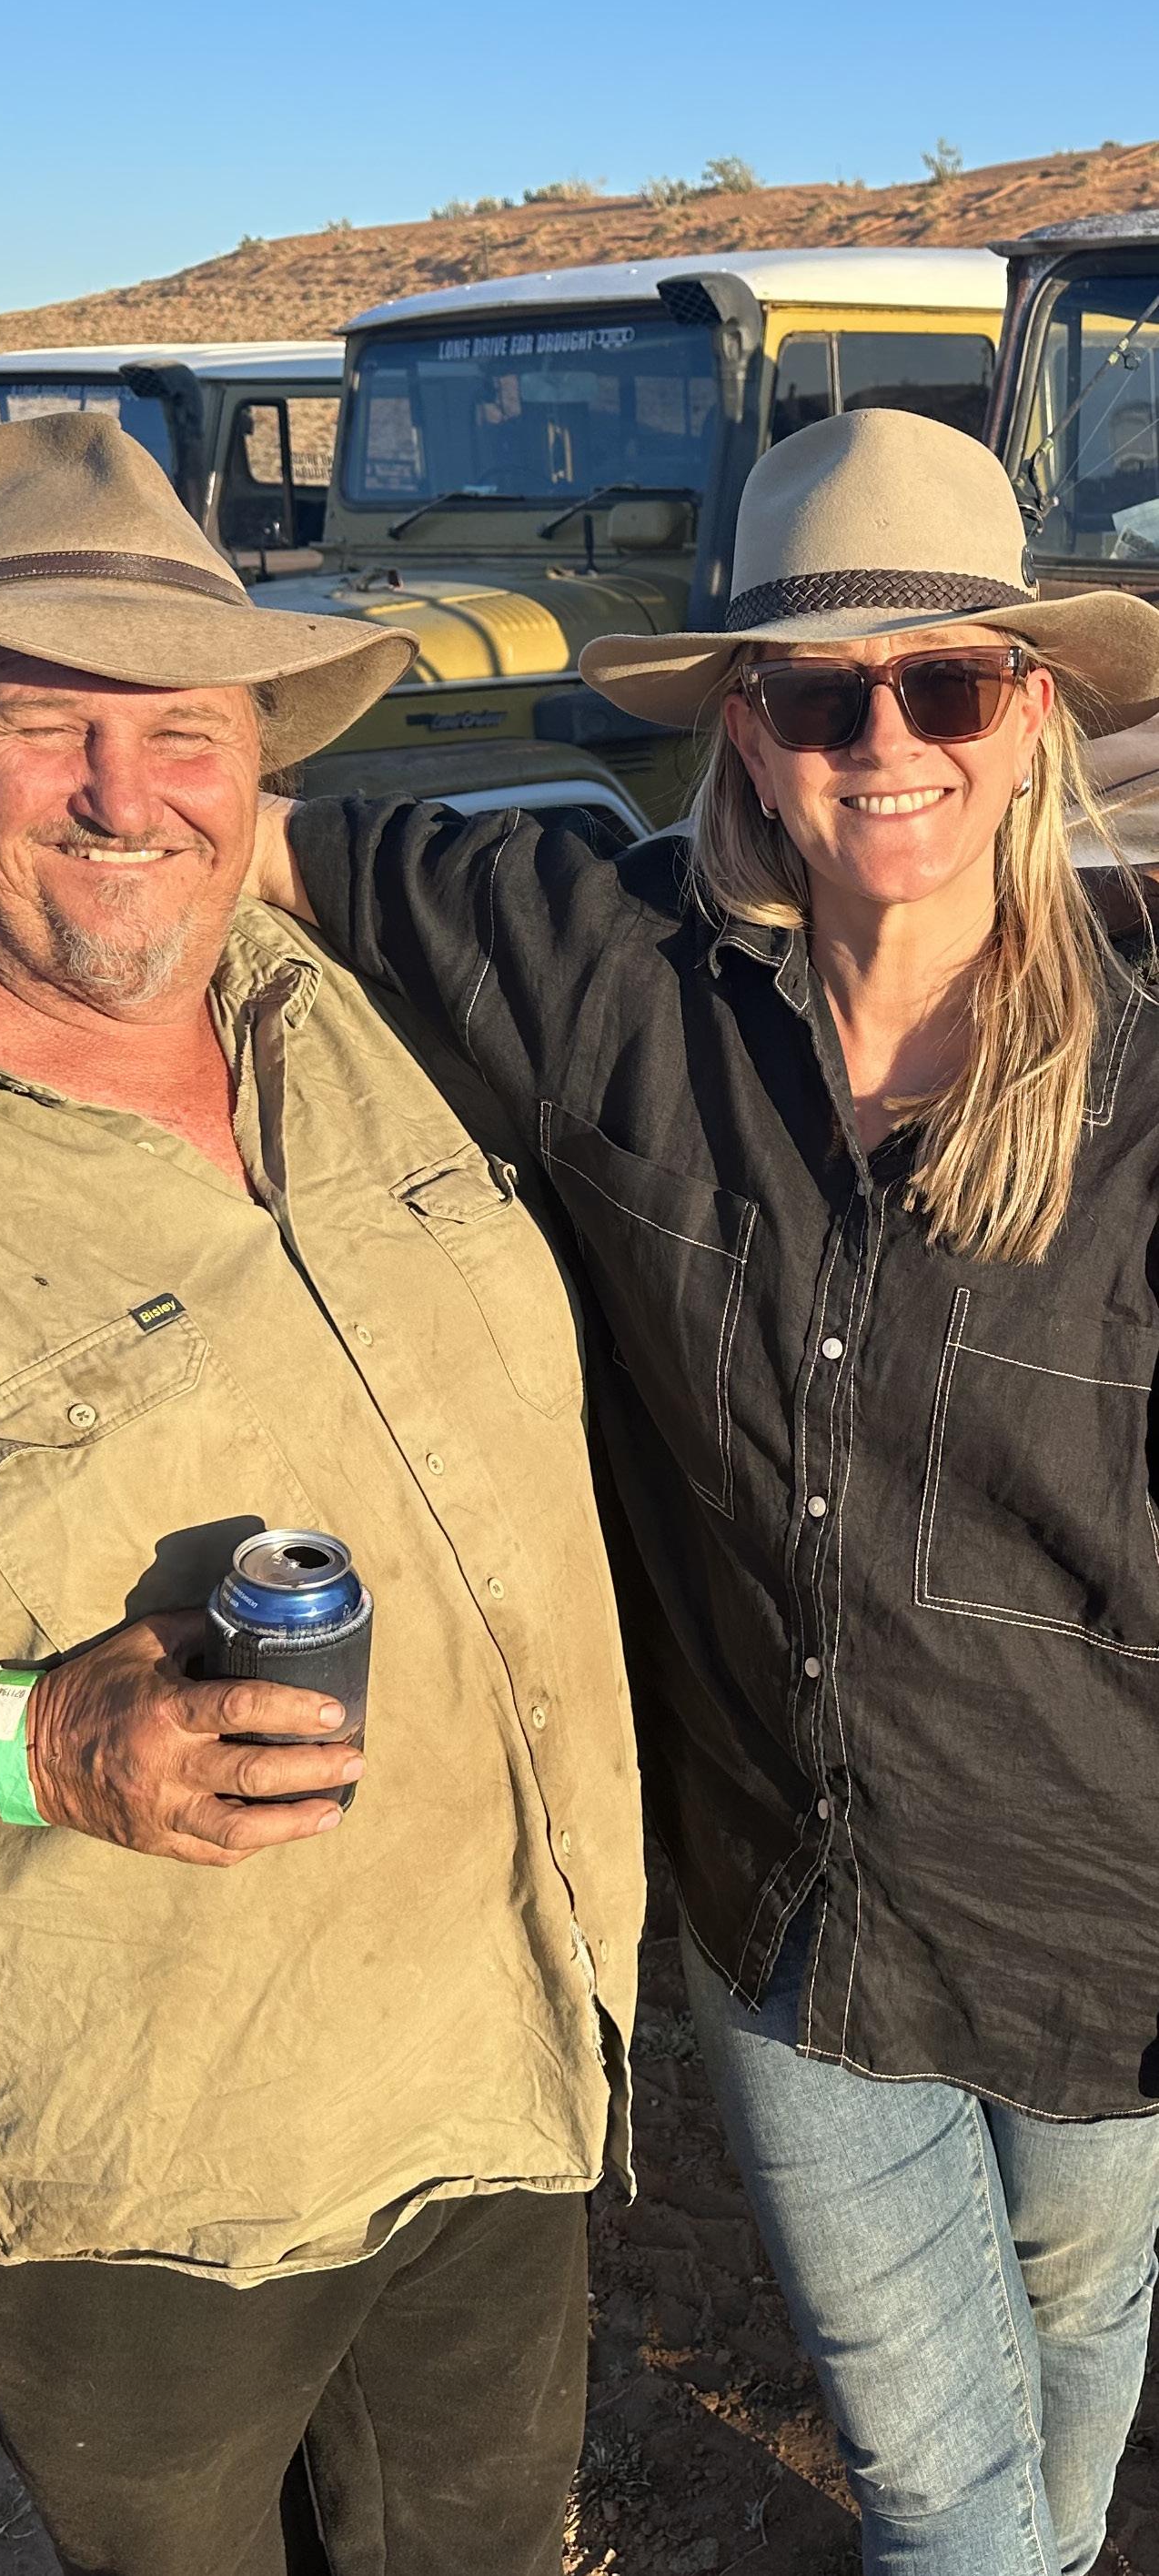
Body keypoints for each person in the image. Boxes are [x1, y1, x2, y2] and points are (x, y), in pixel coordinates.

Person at [247, 410, 1159, 2576]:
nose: (886, 743)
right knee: (938, 2482)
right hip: (790, 1901)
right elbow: (242, 837)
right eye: (822, 695)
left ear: (1029, 712)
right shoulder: (610, 978)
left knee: (1075, 2325)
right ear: (745, 728)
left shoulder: (1142, 1080)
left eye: (946, 683)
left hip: (1099, 1902)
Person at [0, 410, 644, 2576]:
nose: (126, 791)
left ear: (254, 755)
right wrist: (24, 1744)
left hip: (503, 2054)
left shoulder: (353, 1015)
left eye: (182, 725)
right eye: (43, 725)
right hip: (151, 2184)